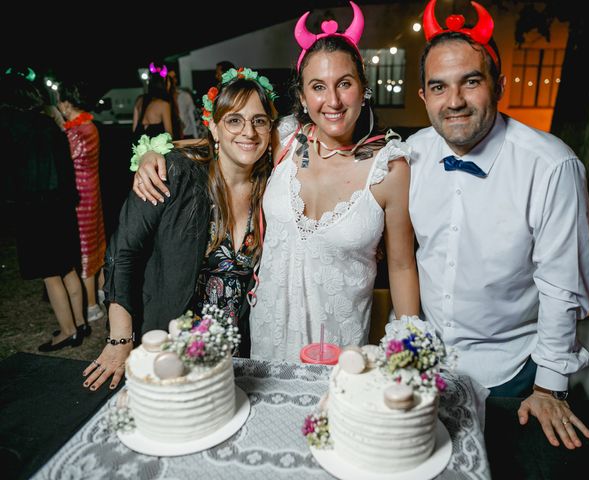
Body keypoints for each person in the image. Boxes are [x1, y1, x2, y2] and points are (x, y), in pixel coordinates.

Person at [133, 2, 420, 363]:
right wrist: (151, 152)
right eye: (318, 86)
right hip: (267, 334)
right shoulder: (284, 138)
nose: (332, 100)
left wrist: (411, 349)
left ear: (363, 89)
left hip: (340, 346)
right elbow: (219, 142)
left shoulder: (389, 167)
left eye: (344, 84)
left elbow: (402, 266)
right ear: (301, 96)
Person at [408, 0, 589, 449]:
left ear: (499, 86)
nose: (454, 101)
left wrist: (549, 387)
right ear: (424, 97)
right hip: (426, 370)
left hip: (514, 377)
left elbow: (562, 285)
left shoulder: (551, 166)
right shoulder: (409, 156)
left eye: (470, 82)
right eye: (439, 87)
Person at [82, 69, 277, 391]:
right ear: (214, 126)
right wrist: (119, 339)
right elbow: (123, 252)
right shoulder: (173, 173)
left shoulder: (274, 187)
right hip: (168, 346)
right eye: (234, 121)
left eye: (259, 121)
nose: (249, 132)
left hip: (235, 357)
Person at [0, 69, 88, 351]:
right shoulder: (50, 124)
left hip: (34, 208)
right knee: (67, 268)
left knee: (50, 274)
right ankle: (80, 323)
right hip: (60, 206)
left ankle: (67, 331)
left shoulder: (10, 124)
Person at [58, 80, 107, 323]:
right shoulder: (91, 125)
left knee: (86, 246)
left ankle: (91, 306)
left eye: (60, 100)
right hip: (93, 190)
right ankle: (101, 289)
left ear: (67, 103)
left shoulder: (75, 131)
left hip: (80, 196)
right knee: (97, 239)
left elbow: (64, 160)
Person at [132, 63, 173, 141]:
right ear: (164, 82)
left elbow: (134, 129)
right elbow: (169, 134)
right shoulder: (164, 105)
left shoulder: (139, 99)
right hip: (156, 149)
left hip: (140, 146)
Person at [168, 69, 198, 139]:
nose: (172, 80)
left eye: (174, 77)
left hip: (187, 134)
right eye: (169, 78)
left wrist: (196, 135)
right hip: (172, 136)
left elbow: (192, 116)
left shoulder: (185, 95)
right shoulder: (163, 100)